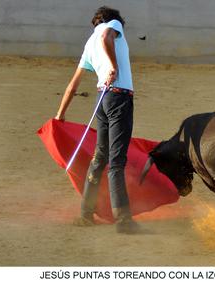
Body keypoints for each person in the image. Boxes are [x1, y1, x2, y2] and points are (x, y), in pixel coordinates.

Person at [55, 6, 138, 233]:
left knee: (99, 158)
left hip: (101, 100)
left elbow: (74, 83)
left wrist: (60, 115)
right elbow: (106, 36)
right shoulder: (112, 26)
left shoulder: (89, 43)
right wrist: (113, 65)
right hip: (119, 97)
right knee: (116, 161)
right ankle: (123, 221)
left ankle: (85, 214)